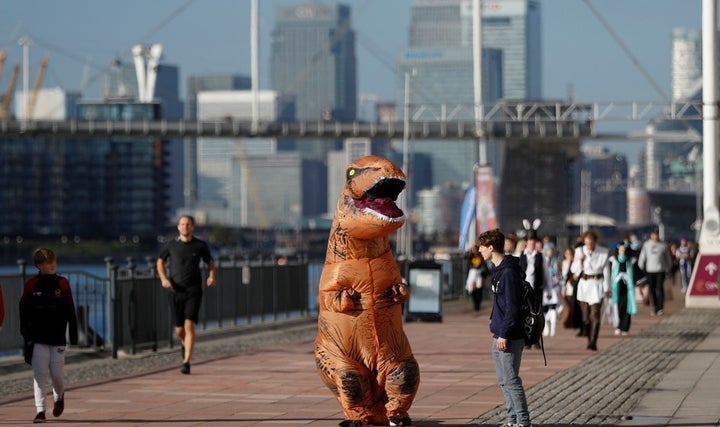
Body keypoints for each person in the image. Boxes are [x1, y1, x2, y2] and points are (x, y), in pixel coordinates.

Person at [476, 228, 532, 427]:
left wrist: (504, 334)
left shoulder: (508, 273)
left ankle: (523, 422)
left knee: (511, 380)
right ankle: (512, 420)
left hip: (508, 335)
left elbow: (513, 307)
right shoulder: (498, 270)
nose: (479, 251)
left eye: (482, 247)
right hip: (499, 333)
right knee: (504, 381)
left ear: (491, 247)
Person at [19, 248, 78, 424]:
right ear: (39, 265)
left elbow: (70, 310)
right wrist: (27, 335)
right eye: (48, 262)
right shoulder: (31, 285)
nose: (52, 265)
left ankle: (59, 396)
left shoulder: (63, 283)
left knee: (57, 375)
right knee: (40, 374)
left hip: (58, 338)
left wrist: (73, 335)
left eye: (54, 261)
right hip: (37, 339)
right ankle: (40, 411)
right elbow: (23, 311)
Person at [157, 215, 217, 375]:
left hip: (194, 291)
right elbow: (160, 261)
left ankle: (186, 362)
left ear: (192, 227)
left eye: (188, 224)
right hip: (175, 290)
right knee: (179, 330)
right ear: (178, 227)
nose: (185, 227)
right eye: (182, 224)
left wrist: (212, 276)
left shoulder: (200, 245)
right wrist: (164, 279)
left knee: (189, 324)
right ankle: (184, 344)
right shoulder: (171, 245)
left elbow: (210, 263)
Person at [571, 230, 611, 351]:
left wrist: (607, 288)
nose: (589, 246)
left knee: (595, 314)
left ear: (595, 242)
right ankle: (589, 337)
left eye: (591, 243)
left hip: (597, 284)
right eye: (587, 243)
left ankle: (593, 341)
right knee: (586, 317)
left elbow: (606, 272)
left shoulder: (603, 252)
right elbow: (574, 270)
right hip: (584, 284)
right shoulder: (579, 251)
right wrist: (580, 260)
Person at [638, 229, 671, 316]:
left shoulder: (663, 245)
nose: (655, 236)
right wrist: (640, 267)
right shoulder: (646, 245)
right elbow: (642, 257)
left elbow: (667, 258)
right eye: (654, 235)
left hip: (660, 270)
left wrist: (668, 267)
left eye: (657, 235)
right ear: (651, 235)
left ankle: (660, 308)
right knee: (652, 290)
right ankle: (654, 307)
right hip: (650, 271)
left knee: (659, 289)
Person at [611, 243, 637, 335]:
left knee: (627, 308)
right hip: (617, 289)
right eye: (620, 250)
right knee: (617, 308)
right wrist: (616, 278)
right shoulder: (613, 261)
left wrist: (628, 277)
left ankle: (625, 327)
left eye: (624, 250)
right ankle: (618, 326)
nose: (622, 252)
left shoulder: (630, 262)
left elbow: (636, 274)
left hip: (628, 289)